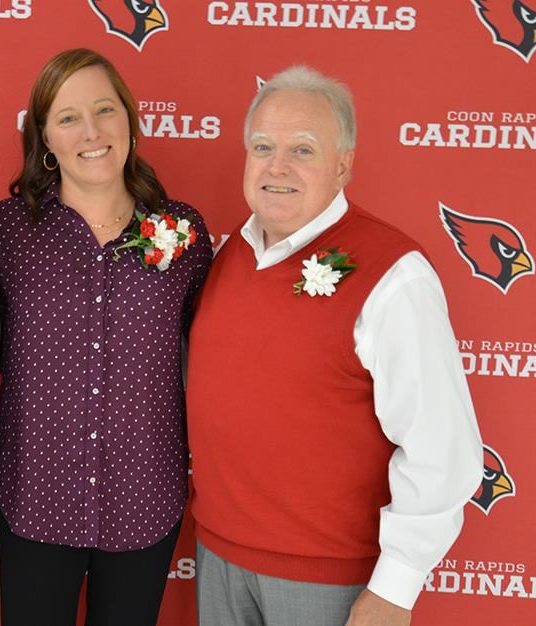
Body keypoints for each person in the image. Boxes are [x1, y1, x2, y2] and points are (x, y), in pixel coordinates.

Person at [186, 65, 483, 626]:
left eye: (303, 149)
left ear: (343, 164)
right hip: (218, 559)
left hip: (328, 581)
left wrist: (395, 589)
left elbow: (443, 447)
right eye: (263, 146)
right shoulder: (229, 257)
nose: (277, 166)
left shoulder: (394, 275)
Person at [0, 48, 212, 626]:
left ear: (130, 121)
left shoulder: (182, 232)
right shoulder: (4, 232)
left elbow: (210, 357)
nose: (91, 132)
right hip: (36, 494)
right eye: (67, 117)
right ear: (44, 139)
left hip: (145, 496)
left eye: (105, 110)